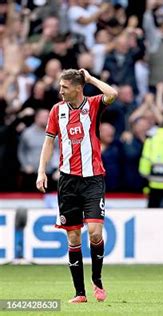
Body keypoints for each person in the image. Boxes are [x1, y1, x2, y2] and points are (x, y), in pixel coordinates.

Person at [36, 68, 118, 303]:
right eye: (60, 86)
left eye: (64, 87)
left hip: (93, 178)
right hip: (68, 181)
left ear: (77, 88)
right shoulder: (56, 110)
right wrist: (41, 171)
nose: (60, 90)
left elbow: (112, 94)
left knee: (94, 232)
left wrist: (91, 79)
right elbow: (48, 143)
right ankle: (79, 292)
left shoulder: (92, 105)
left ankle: (97, 280)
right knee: (73, 238)